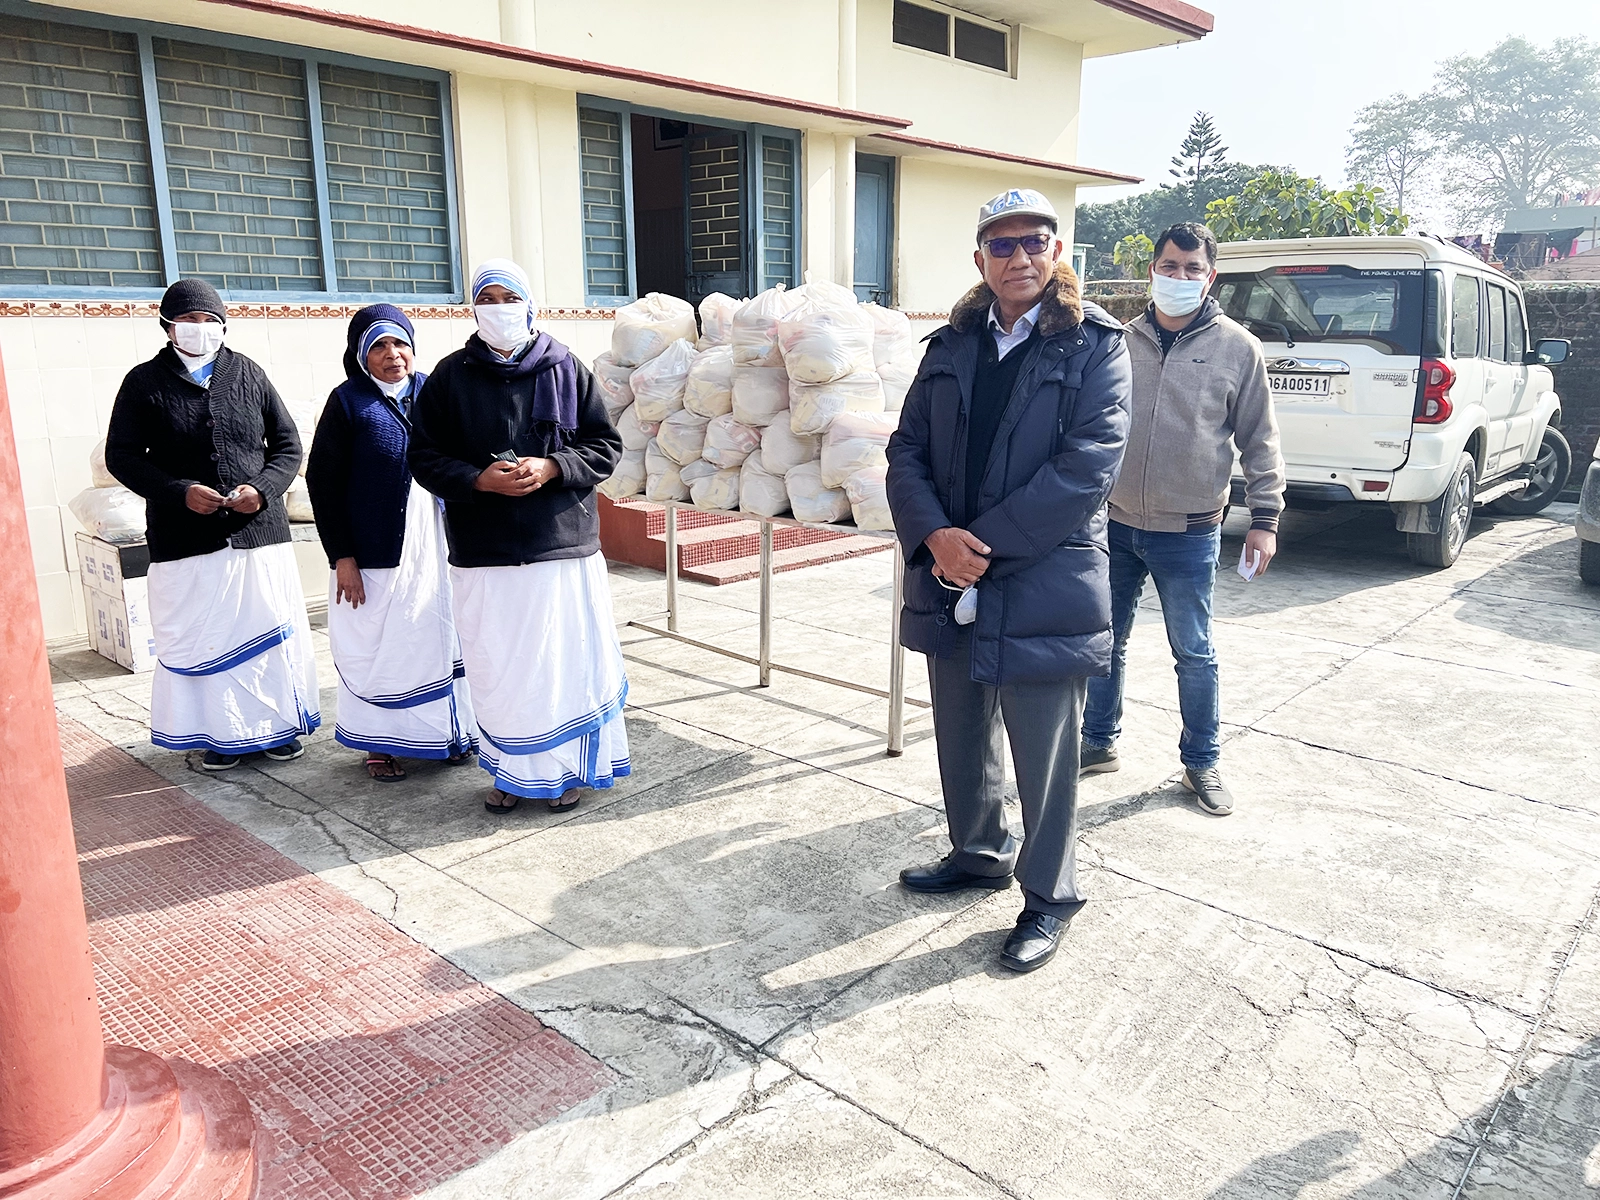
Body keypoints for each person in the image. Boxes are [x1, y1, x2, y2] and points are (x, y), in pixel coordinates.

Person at [886, 188, 1132, 973]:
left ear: (1057, 252)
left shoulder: (1096, 345)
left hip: (1042, 576)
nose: (1020, 257)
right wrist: (933, 537)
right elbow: (906, 451)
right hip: (948, 570)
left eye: (1035, 242)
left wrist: (977, 546)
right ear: (979, 259)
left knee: (1045, 751)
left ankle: (1050, 897)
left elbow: (1087, 468)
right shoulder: (950, 346)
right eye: (1003, 245)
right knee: (961, 732)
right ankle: (978, 852)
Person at [408, 259, 629, 814]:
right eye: (488, 298)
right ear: (473, 308)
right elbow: (425, 456)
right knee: (499, 666)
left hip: (560, 546)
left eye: (509, 297)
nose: (498, 308)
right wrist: (475, 479)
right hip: (484, 551)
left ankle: (569, 771)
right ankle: (511, 774)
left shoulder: (566, 368)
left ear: (530, 304)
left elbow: (605, 446)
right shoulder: (450, 376)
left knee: (560, 663)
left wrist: (553, 467)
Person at [1080, 222, 1285, 816]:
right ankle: (1098, 742)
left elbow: (1261, 441)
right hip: (1114, 523)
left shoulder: (1237, 349)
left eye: (1193, 270)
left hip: (1190, 530)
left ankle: (1201, 761)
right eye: (1169, 266)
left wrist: (1266, 518)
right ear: (1152, 270)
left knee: (1194, 651)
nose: (1180, 278)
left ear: (1210, 277)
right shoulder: (1119, 341)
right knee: (1105, 642)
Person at [105, 278, 319, 769]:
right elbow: (122, 456)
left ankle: (276, 730)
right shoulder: (144, 382)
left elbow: (287, 446)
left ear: (223, 325)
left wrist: (262, 491)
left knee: (267, 632)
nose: (200, 330)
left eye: (209, 321)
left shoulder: (248, 373)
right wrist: (179, 491)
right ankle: (216, 735)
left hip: (257, 536)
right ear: (168, 327)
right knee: (204, 639)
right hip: (185, 539)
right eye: (189, 321)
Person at [305, 305, 478, 781]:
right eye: (378, 346)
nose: (392, 355)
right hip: (377, 552)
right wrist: (343, 557)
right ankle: (380, 744)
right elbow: (323, 483)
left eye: (400, 343)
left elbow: (476, 446)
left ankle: (448, 734)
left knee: (439, 637)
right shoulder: (348, 403)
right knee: (380, 647)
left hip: (439, 545)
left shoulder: (435, 392)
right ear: (361, 354)